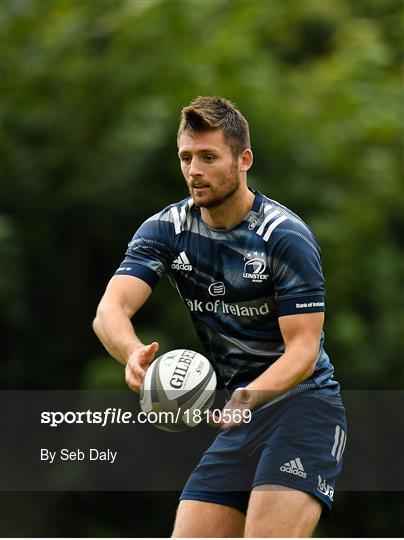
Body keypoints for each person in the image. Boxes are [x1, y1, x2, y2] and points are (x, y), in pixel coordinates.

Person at [93, 96, 347, 537]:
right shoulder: (167, 229)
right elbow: (109, 311)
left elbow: (304, 352)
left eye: (209, 157)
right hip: (239, 416)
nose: (194, 170)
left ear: (243, 159)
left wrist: (247, 397)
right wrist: (132, 352)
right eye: (186, 158)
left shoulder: (283, 237)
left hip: (305, 410)